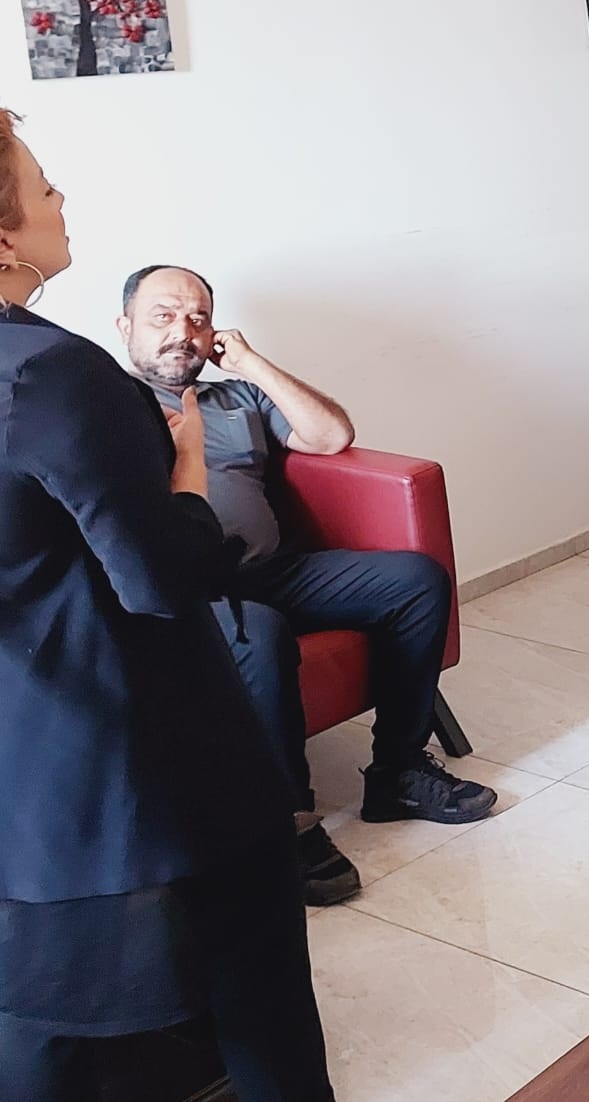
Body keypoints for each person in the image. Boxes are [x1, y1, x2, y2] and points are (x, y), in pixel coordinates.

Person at [0, 113, 333, 1101]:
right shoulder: (54, 375)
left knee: (38, 1018)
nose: (61, 199)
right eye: (43, 185)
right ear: (5, 234)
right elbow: (164, 576)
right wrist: (186, 476)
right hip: (133, 757)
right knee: (256, 992)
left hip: (22, 764)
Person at [119, 266, 495, 909]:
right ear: (124, 326)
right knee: (259, 635)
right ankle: (285, 824)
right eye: (162, 317)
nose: (182, 332)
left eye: (198, 318)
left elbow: (331, 436)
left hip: (273, 569)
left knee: (416, 581)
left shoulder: (234, 400)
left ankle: (397, 771)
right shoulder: (106, 411)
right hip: (191, 591)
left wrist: (252, 364)